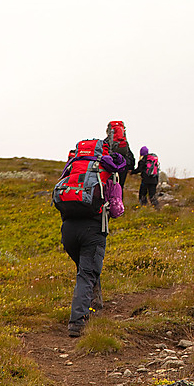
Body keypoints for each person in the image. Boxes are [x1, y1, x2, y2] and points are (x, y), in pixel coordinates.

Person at [55, 141, 125, 338]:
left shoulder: (72, 169)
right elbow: (117, 210)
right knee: (87, 274)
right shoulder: (107, 173)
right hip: (93, 230)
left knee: (87, 270)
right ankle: (77, 323)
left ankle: (96, 306)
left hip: (68, 229)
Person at [106, 121, 135, 187]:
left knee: (109, 186)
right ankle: (119, 196)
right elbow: (130, 155)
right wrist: (131, 168)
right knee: (120, 186)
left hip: (111, 164)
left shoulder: (107, 142)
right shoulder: (124, 143)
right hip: (123, 164)